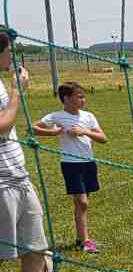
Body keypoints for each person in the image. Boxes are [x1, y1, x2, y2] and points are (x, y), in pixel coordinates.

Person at [0, 28, 84, 272]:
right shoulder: (8, 87)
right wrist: (17, 92)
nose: (12, 58)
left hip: (19, 178)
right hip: (0, 186)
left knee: (36, 249)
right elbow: (1, 126)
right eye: (9, 52)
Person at [34, 81, 106, 252]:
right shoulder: (56, 116)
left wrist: (84, 132)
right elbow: (33, 128)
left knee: (82, 203)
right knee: (82, 202)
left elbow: (103, 138)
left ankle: (80, 239)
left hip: (88, 163)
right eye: (79, 97)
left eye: (84, 97)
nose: (83, 100)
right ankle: (85, 241)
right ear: (66, 98)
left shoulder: (89, 116)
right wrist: (53, 132)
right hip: (71, 164)